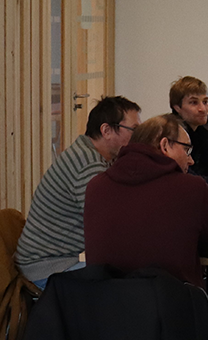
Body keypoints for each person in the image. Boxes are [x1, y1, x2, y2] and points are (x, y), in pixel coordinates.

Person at [83, 115, 208, 288]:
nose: (191, 160)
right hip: (172, 307)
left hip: (105, 307)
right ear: (165, 145)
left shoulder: (95, 186)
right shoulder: (192, 188)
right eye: (186, 150)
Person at [15, 96, 141, 290]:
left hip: (55, 261)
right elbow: (107, 226)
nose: (138, 138)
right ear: (106, 130)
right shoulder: (88, 165)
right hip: (47, 268)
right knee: (126, 282)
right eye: (134, 130)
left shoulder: (91, 154)